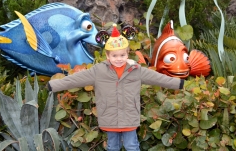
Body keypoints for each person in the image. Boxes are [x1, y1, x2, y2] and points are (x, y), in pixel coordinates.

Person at [47, 24, 184, 151]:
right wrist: (54, 85)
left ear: (128, 53)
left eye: (122, 55)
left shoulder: (136, 70)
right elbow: (77, 79)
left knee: (131, 145)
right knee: (113, 146)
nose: (119, 59)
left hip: (129, 116)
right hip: (109, 117)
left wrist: (177, 83)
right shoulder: (99, 71)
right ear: (107, 55)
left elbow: (157, 78)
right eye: (114, 55)